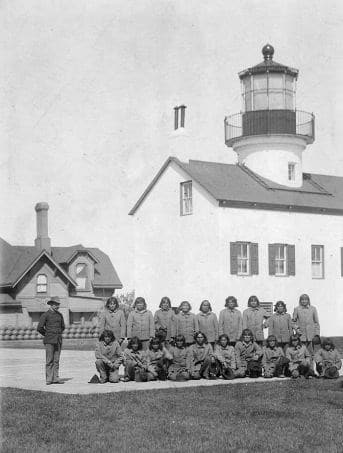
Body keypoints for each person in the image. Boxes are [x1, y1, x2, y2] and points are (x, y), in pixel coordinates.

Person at [37, 296, 65, 385]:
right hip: (49, 340)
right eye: (56, 304)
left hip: (58, 340)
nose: (57, 306)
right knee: (49, 360)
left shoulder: (60, 315)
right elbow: (40, 328)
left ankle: (55, 378)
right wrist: (48, 334)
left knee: (56, 360)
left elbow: (62, 327)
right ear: (51, 305)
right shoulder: (45, 315)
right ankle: (49, 379)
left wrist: (58, 334)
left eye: (58, 304)